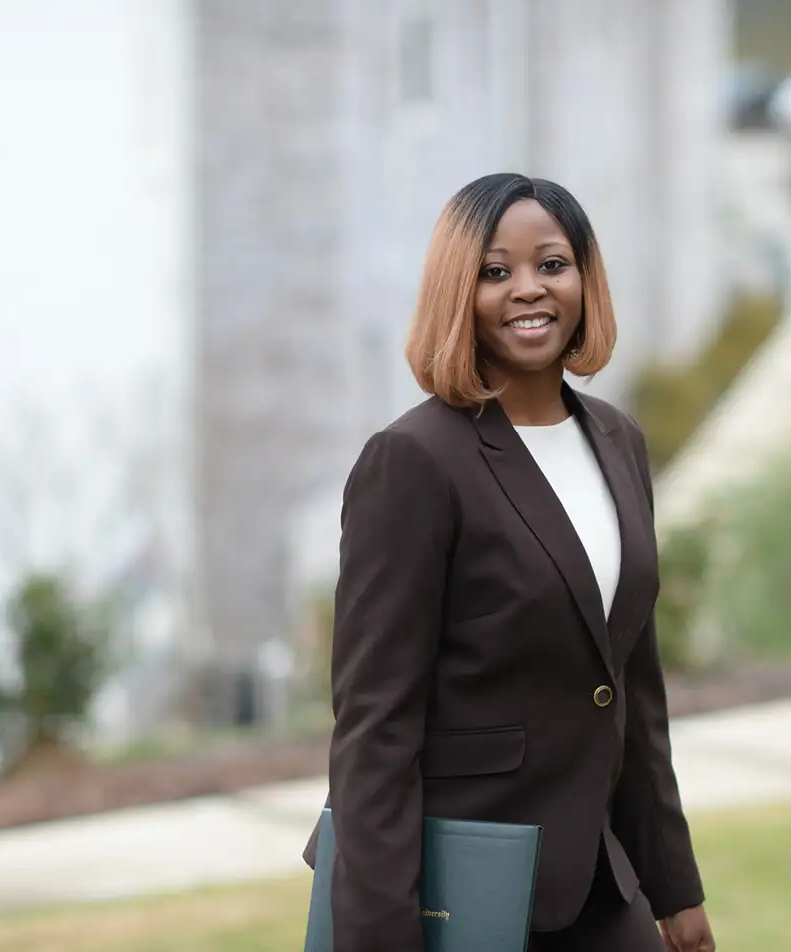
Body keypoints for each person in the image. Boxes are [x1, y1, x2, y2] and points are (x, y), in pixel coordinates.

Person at [301, 173, 716, 952]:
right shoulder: (413, 462)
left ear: (584, 280)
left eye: (552, 264)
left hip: (600, 882)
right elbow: (376, 727)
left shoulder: (618, 442)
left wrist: (675, 888)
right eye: (497, 272)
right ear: (459, 290)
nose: (529, 289)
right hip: (463, 897)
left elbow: (633, 692)